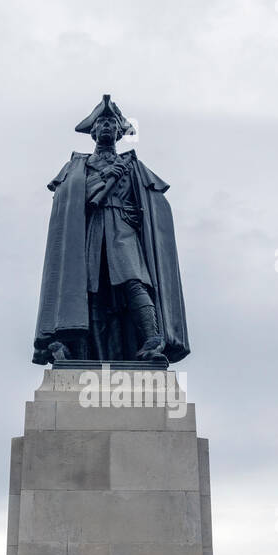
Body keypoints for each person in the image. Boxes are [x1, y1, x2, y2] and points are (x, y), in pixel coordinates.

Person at [33, 94, 190, 365]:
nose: (106, 126)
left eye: (111, 123)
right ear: (93, 131)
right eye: (101, 123)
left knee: (135, 281)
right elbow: (66, 201)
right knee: (88, 289)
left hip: (123, 230)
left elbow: (154, 203)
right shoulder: (76, 166)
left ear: (119, 132)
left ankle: (152, 339)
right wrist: (100, 182)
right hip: (90, 231)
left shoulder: (134, 167)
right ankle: (81, 353)